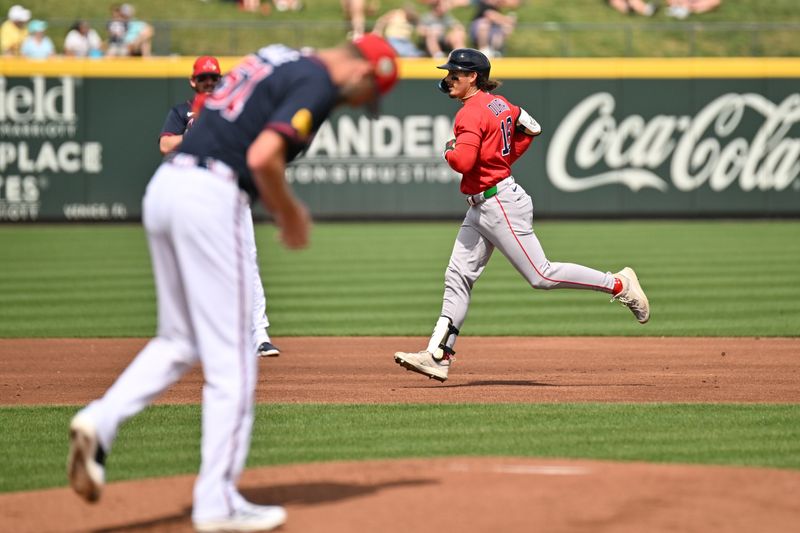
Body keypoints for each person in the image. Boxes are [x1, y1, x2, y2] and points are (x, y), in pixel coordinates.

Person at [66, 34, 398, 532]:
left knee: (177, 340)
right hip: (211, 195)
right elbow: (265, 156)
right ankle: (215, 503)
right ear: (364, 73)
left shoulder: (280, 53)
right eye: (365, 95)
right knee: (233, 360)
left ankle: (100, 420)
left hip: (167, 187)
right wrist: (290, 215)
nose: (357, 104)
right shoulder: (319, 82)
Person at [394, 48, 650, 383]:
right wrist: (503, 162)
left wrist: (447, 149)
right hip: (485, 203)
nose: (448, 78)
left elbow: (463, 162)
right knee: (458, 276)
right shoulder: (499, 103)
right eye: (447, 73)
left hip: (498, 204)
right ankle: (438, 355)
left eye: (455, 73)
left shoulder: (470, 113)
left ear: (473, 77)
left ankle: (619, 283)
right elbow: (531, 127)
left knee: (541, 275)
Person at [158, 55, 281, 358]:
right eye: (204, 79)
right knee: (196, 262)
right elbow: (164, 145)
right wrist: (191, 133)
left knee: (247, 259)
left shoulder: (232, 111)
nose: (209, 83)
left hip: (231, 190)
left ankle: (259, 333)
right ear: (193, 81)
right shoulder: (182, 111)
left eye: (214, 79)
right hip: (193, 195)